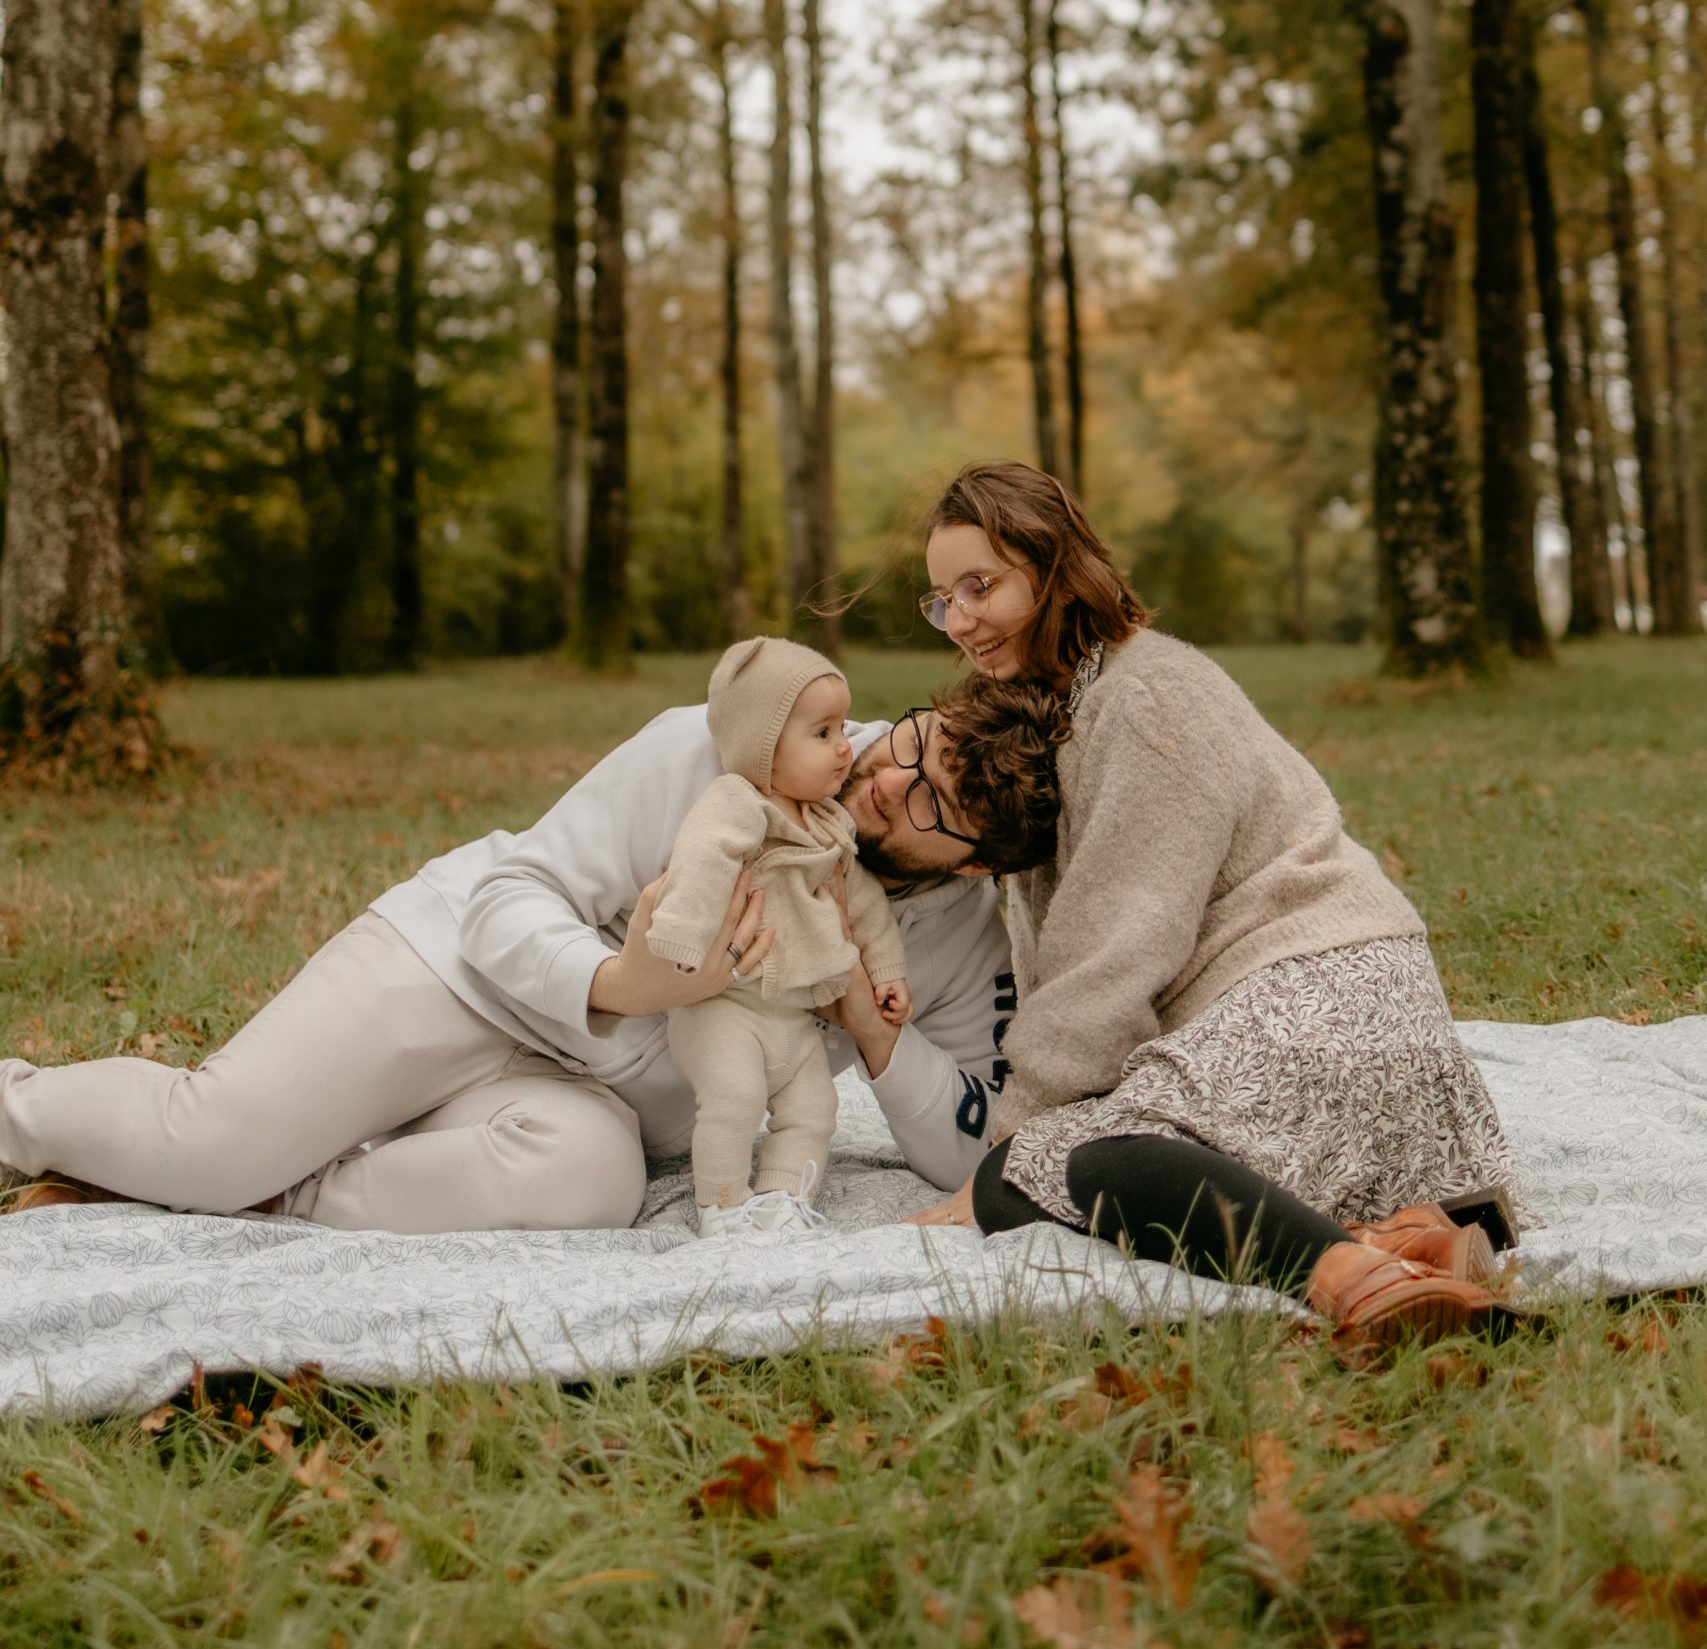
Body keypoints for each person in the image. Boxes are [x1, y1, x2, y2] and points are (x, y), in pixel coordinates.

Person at [0, 670, 1062, 1233]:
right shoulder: (730, 743)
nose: (885, 777)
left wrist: (873, 1032)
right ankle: (38, 1116)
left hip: (586, 1101)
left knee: (591, 1185)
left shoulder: (964, 936)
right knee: (208, 1141)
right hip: (455, 978)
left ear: (975, 865)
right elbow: (512, 896)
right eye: (913, 740)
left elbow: (973, 1146)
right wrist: (627, 980)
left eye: (930, 802)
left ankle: (281, 1190)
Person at [908, 460, 1521, 1347]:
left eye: (979, 587)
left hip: (1320, 992)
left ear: (1053, 569)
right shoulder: (1073, 700)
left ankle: (1351, 1278)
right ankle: (1412, 1235)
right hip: (1319, 1003)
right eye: (941, 601)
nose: (960, 620)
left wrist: (1011, 1140)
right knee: (1051, 1164)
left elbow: (1115, 951)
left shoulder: (1141, 698)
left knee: (1054, 1170)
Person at [654, 637, 911, 1237]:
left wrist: (886, 972)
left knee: (816, 1109)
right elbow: (703, 858)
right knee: (735, 1098)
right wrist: (683, 934)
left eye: (842, 727)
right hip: (724, 1007)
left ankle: (782, 1199)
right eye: (822, 733)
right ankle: (722, 1205)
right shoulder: (739, 804)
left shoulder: (827, 821)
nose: (845, 746)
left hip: (793, 1017)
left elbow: (864, 904)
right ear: (764, 747)